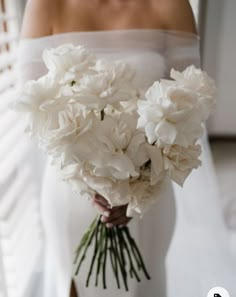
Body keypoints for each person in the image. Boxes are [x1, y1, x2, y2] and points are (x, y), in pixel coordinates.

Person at [15, 0, 236, 297]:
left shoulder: (171, 5)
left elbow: (192, 104)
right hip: (70, 190)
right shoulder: (45, 5)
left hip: (148, 194)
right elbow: (32, 109)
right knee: (73, 283)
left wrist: (135, 184)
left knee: (145, 284)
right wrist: (92, 180)